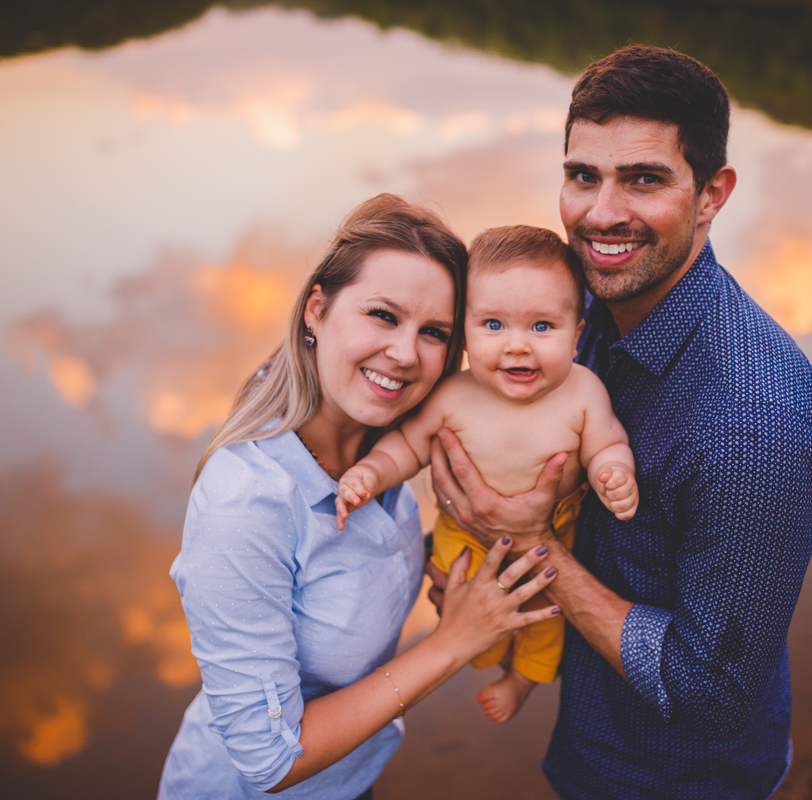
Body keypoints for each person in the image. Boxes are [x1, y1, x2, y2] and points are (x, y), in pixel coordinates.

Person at [427, 47, 812, 798]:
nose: (601, 214)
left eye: (643, 179)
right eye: (583, 176)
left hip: (676, 781)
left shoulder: (753, 427)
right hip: (588, 743)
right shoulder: (578, 310)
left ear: (713, 194)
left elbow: (711, 692)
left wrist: (530, 543)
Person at [157, 195, 562, 800]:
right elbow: (269, 762)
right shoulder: (246, 501)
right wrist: (454, 641)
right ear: (316, 310)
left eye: (434, 333)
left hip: (350, 782)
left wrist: (467, 550)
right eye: (382, 315)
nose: (404, 354)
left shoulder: (388, 445)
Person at [335, 225, 639, 724]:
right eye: (493, 325)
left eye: (542, 327)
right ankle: (480, 651)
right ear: (465, 330)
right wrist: (371, 472)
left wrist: (613, 473)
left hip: (546, 552)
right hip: (464, 545)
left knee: (544, 621)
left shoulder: (583, 393)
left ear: (577, 332)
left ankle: (522, 680)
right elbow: (409, 446)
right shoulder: (454, 394)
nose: (517, 347)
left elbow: (607, 443)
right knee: (465, 611)